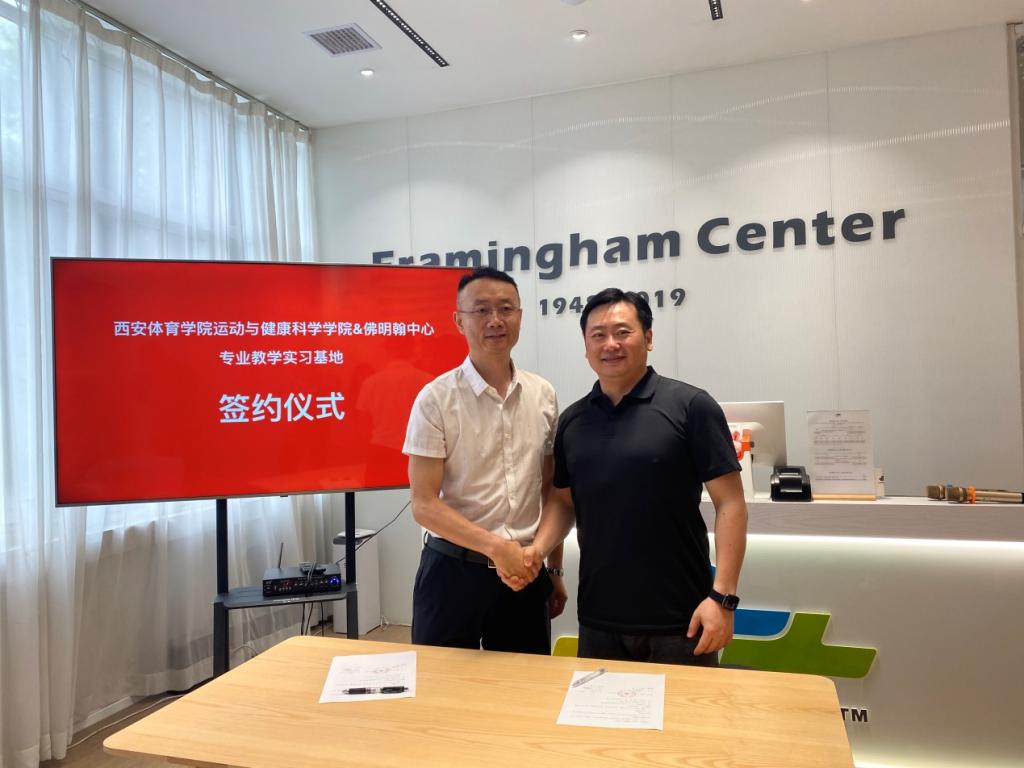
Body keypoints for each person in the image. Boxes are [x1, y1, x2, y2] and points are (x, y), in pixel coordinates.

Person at [522, 288, 748, 665]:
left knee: (687, 706)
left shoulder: (691, 406)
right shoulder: (573, 421)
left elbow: (731, 503)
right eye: (598, 335)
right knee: (598, 706)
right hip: (598, 618)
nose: (610, 344)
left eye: (623, 332)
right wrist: (539, 554)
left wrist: (722, 598)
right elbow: (563, 501)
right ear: (586, 346)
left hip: (682, 618)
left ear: (649, 337)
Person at [403, 267, 567, 653]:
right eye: (481, 310)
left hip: (526, 571)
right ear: (459, 321)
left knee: (522, 683)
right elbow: (424, 504)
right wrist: (496, 548)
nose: (495, 320)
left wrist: (552, 567)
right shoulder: (435, 399)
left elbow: (551, 491)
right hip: (452, 572)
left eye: (506, 309)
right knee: (442, 683)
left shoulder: (543, 395)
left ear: (520, 316)